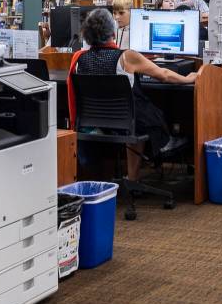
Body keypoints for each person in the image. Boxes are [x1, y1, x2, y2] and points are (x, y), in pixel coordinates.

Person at [67, 9, 196, 180]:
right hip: (125, 123)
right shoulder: (126, 57)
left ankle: (132, 177)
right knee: (143, 111)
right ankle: (162, 146)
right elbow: (164, 75)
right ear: (113, 32)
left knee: (132, 113)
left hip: (96, 124)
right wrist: (188, 79)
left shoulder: (79, 59)